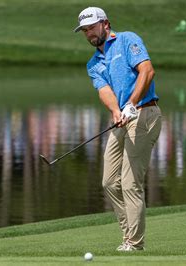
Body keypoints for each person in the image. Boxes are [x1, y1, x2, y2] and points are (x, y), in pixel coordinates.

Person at [74, 7, 162, 251]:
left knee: (130, 182)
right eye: (84, 30)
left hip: (145, 113)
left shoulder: (127, 40)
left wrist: (132, 104)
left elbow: (147, 71)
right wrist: (116, 111)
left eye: (91, 27)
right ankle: (129, 235)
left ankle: (134, 243)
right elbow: (105, 91)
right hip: (122, 118)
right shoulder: (93, 63)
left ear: (105, 24)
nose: (89, 33)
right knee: (109, 181)